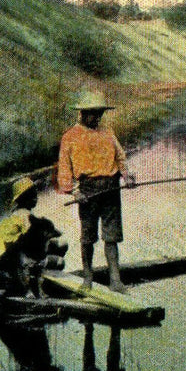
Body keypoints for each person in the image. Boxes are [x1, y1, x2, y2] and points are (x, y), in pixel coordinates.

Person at [57, 91, 136, 293]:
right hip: (88, 191)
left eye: (99, 113)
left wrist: (126, 176)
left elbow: (120, 156)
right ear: (82, 113)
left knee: (111, 237)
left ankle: (115, 280)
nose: (97, 118)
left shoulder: (107, 132)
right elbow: (65, 169)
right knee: (87, 237)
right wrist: (75, 191)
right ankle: (88, 278)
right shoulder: (70, 137)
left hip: (111, 187)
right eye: (93, 113)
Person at [0, 176, 67, 297]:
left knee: (52, 247)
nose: (36, 199)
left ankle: (41, 277)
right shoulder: (25, 216)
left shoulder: (17, 213)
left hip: (13, 255)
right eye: (33, 196)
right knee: (60, 254)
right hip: (20, 258)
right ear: (25, 198)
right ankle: (43, 283)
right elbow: (32, 240)